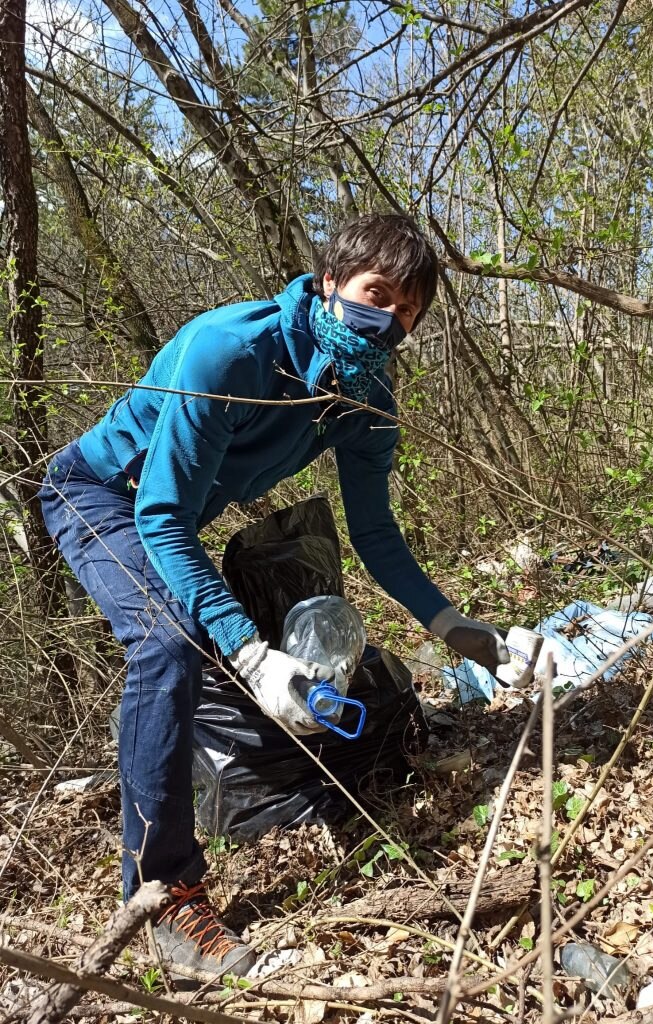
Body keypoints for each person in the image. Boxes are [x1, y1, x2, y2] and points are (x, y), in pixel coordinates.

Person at [38, 213, 521, 976]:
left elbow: (376, 534)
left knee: (213, 637)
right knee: (168, 642)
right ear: (329, 281)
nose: (387, 320)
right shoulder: (229, 351)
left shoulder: (362, 399)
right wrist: (248, 653)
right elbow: (157, 517)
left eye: (406, 312)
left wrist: (464, 631)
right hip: (97, 494)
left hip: (171, 512)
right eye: (377, 294)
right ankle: (164, 896)